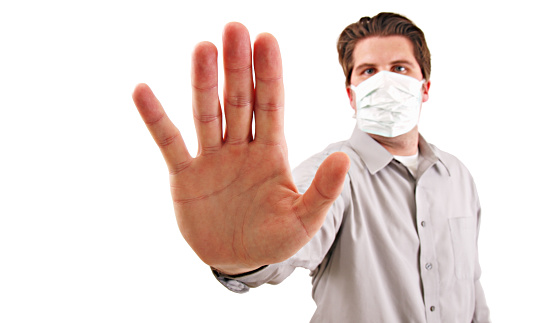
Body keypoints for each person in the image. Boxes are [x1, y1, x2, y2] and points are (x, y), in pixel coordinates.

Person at [132, 12, 491, 323]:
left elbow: (471, 289)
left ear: (424, 87)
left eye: (399, 68)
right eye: (368, 71)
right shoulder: (331, 175)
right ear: (351, 94)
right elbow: (283, 238)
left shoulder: (457, 176)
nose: (385, 81)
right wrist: (242, 259)